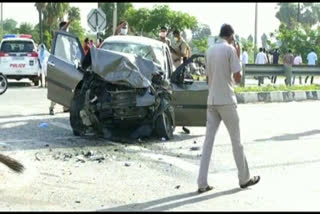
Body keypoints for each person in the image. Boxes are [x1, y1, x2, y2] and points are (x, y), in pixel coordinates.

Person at [197, 23, 260, 193]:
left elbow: (207, 79)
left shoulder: (209, 50)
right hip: (226, 100)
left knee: (208, 142)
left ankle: (202, 182)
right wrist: (237, 55)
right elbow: (238, 77)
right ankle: (244, 178)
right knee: (236, 141)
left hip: (212, 100)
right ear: (231, 36)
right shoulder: (230, 50)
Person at [49, 20, 71, 115]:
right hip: (59, 66)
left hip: (67, 66)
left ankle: (66, 107)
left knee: (67, 88)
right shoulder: (59, 36)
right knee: (58, 88)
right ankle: (51, 107)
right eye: (66, 28)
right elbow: (63, 29)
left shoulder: (66, 40)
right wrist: (69, 22)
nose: (67, 30)